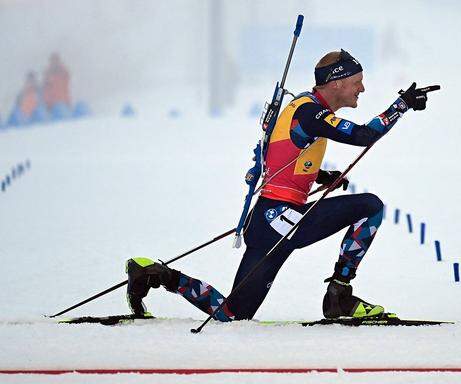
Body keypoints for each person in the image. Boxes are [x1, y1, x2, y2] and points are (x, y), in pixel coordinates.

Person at [125, 49, 432, 321]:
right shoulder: (310, 112)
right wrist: (401, 105)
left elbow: (283, 153)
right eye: (357, 82)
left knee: (234, 314)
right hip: (281, 219)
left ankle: (158, 275)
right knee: (370, 207)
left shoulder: (304, 107)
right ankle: (339, 295)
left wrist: (319, 176)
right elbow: (363, 136)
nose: (362, 89)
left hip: (267, 221)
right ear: (336, 82)